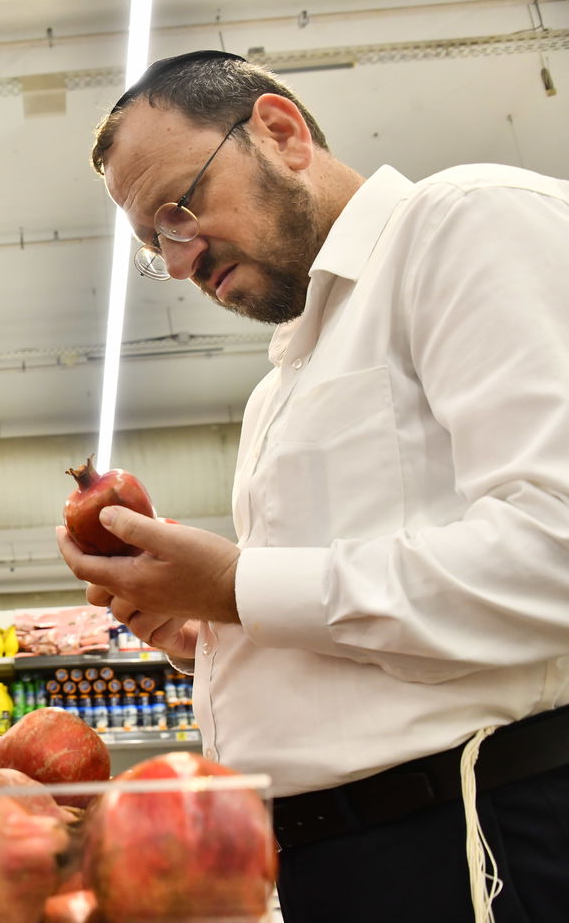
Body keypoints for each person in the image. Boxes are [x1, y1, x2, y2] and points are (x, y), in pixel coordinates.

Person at [59, 49, 569, 923]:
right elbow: (361, 633)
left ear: (280, 132)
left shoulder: (462, 222)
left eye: (178, 211)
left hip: (473, 843)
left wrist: (237, 585)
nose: (178, 262)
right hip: (346, 863)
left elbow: (553, 551)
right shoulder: (281, 385)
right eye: (154, 246)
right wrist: (209, 630)